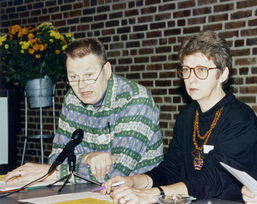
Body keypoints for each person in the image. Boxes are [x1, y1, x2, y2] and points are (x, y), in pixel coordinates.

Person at [100, 30, 257, 203]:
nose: (191, 79)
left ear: (223, 74)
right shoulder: (187, 116)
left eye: (201, 70)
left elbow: (212, 180)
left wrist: (155, 194)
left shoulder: (240, 118)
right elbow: (171, 169)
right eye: (186, 70)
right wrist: (133, 181)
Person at [4, 38, 163, 184]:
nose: (81, 86)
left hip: (138, 196)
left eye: (89, 75)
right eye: (73, 77)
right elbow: (57, 156)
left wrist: (51, 173)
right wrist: (87, 158)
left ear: (107, 71)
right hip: (85, 193)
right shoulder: (72, 100)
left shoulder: (135, 100)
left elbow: (116, 173)